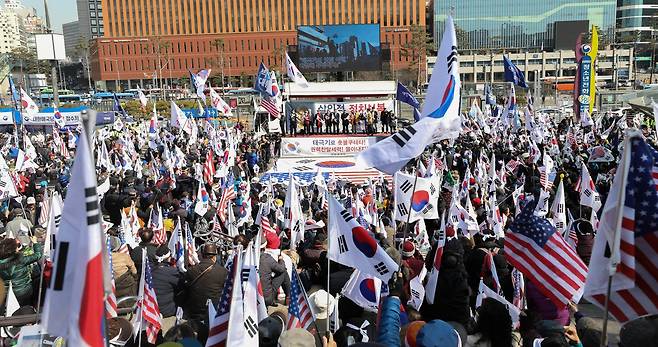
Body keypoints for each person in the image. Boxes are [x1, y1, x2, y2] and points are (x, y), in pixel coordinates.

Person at [184, 243, 227, 321]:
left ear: (202, 255)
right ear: (214, 257)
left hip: (195, 310)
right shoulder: (223, 271)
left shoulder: (191, 270)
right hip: (215, 310)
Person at [151, 245, 184, 333]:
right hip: (166, 311)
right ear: (168, 258)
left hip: (151, 308)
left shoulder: (148, 269)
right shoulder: (172, 272)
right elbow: (181, 287)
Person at [0, 238, 42, 306]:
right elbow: (38, 254)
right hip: (24, 291)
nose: (18, 248)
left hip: (6, 293)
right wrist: (35, 243)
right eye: (16, 247)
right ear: (13, 250)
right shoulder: (21, 260)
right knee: (26, 309)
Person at [259, 232, 290, 307]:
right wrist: (281, 260)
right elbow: (281, 269)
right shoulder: (266, 258)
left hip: (252, 296)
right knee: (283, 272)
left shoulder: (246, 258)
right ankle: (289, 297)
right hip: (265, 298)